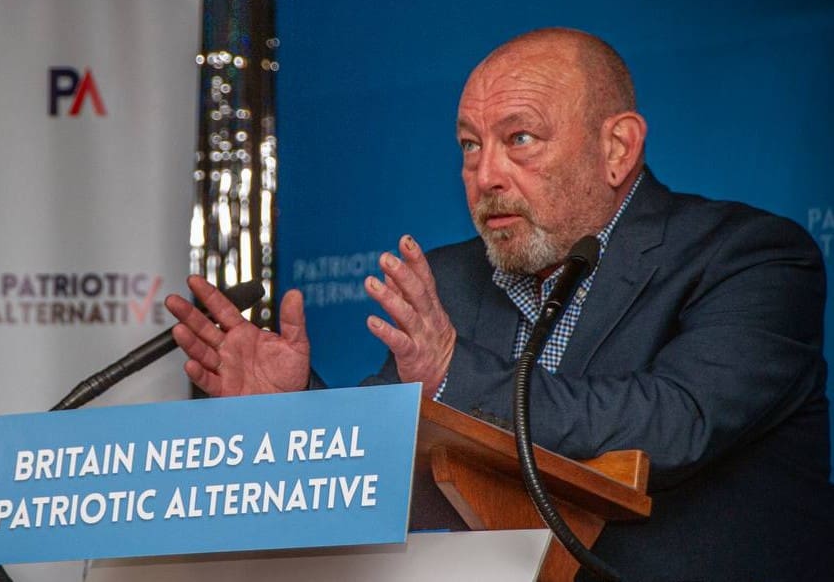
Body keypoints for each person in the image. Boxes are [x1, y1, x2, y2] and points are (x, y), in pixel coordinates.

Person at [164, 28, 834, 580]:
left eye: (520, 139)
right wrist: (295, 415)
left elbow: (675, 425)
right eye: (469, 145)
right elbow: (391, 451)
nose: (486, 175)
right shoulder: (452, 280)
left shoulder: (752, 256)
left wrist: (452, 373)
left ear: (618, 148)